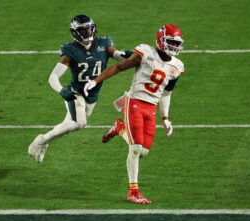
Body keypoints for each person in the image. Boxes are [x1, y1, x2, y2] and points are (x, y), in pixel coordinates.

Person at [83, 24, 185, 204]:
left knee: (144, 151)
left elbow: (167, 94)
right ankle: (133, 192)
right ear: (161, 40)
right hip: (135, 102)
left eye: (177, 43)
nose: (174, 47)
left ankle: (119, 128)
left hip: (151, 108)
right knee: (136, 148)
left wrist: (166, 118)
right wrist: (96, 80)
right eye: (171, 42)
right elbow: (119, 67)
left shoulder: (176, 66)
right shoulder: (146, 53)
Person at [28, 14, 132, 163]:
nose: (88, 33)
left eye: (90, 29)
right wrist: (62, 91)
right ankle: (41, 140)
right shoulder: (70, 50)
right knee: (79, 123)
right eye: (84, 31)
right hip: (76, 92)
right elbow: (53, 77)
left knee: (69, 126)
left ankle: (44, 141)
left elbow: (118, 56)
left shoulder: (103, 44)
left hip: (93, 95)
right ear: (76, 33)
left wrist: (129, 56)